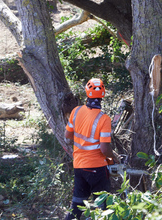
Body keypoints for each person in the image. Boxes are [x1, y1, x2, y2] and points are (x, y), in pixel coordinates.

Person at [64, 77, 117, 220]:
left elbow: (68, 134)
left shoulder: (76, 111)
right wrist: (114, 159)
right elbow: (105, 148)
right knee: (105, 207)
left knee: (77, 205)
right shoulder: (103, 118)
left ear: (87, 92)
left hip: (79, 166)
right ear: (103, 94)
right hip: (97, 168)